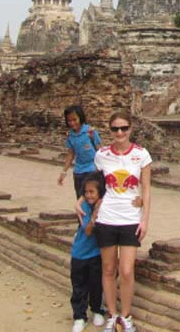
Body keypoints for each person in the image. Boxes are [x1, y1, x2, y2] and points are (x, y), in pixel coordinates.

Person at [92, 110, 152, 332]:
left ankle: (125, 316)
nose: (120, 132)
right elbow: (95, 187)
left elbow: (146, 189)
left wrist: (144, 219)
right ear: (110, 130)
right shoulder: (102, 155)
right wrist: (83, 203)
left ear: (130, 129)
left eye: (124, 128)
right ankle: (111, 314)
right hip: (107, 217)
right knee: (108, 269)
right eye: (115, 128)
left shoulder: (141, 154)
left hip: (130, 218)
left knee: (126, 270)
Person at [69, 173, 106, 332]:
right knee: (79, 286)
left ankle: (97, 309)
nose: (89, 195)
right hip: (80, 254)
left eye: (92, 192)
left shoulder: (106, 204)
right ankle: (79, 316)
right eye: (86, 192)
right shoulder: (84, 207)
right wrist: (95, 214)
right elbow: (89, 231)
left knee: (96, 284)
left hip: (96, 254)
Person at [58, 105, 103, 198]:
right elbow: (71, 154)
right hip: (79, 171)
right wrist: (63, 172)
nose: (72, 123)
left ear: (80, 118)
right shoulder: (70, 135)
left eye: (75, 120)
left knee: (93, 197)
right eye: (69, 121)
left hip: (92, 169)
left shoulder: (90, 132)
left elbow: (101, 150)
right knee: (80, 197)